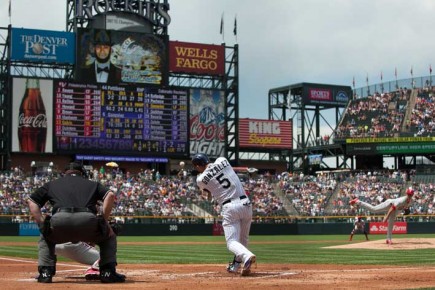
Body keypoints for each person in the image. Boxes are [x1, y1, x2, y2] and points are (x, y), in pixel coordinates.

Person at [27, 162, 125, 283]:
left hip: (60, 220)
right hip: (87, 220)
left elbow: (32, 201)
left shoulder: (52, 184)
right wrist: (104, 220)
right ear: (82, 173)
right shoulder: (92, 184)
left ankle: (45, 273)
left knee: (46, 236)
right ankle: (107, 272)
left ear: (64, 174)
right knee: (109, 236)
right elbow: (110, 195)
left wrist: (41, 223)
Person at [191, 153, 256, 276]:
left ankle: (247, 256)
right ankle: (236, 266)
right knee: (243, 239)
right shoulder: (222, 160)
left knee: (231, 242)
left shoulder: (200, 179)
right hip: (246, 204)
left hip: (230, 207)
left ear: (198, 166)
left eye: (196, 167)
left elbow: (207, 191)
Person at [349, 187, 414, 245]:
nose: (409, 195)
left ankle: (388, 239)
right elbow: (392, 208)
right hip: (389, 204)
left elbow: (405, 208)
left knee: (391, 223)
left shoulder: (411, 201)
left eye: (411, 194)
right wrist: (386, 218)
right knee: (373, 209)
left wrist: (406, 211)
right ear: (406, 193)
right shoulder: (401, 200)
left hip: (396, 209)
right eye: (409, 194)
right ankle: (357, 201)